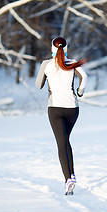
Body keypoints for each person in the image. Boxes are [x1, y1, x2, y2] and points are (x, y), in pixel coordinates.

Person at [35, 36, 87, 195]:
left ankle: (68, 179)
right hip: (72, 109)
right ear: (66, 49)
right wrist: (79, 91)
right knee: (65, 141)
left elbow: (38, 85)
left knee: (61, 143)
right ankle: (71, 175)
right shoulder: (72, 63)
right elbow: (84, 77)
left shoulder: (46, 64)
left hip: (55, 109)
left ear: (52, 49)